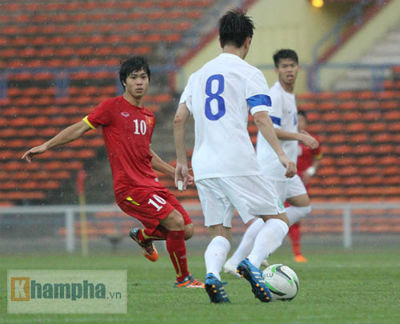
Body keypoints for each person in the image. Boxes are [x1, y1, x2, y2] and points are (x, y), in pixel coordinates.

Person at [22, 56, 204, 288]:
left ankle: (144, 236)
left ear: (149, 81)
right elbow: (79, 128)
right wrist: (47, 145)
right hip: (130, 188)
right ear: (124, 82)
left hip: (152, 185)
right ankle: (184, 279)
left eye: (143, 77)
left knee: (187, 230)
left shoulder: (149, 117)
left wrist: (173, 172)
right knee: (176, 222)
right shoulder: (111, 108)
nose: (139, 82)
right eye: (133, 77)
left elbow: (145, 152)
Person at [173, 10, 297, 303]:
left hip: (203, 165)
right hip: (236, 159)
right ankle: (251, 263)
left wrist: (181, 162)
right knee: (278, 219)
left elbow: (179, 119)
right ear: (248, 41)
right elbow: (262, 118)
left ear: (220, 40)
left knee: (220, 232)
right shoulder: (249, 73)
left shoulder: (197, 74)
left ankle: (213, 277)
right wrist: (281, 155)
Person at [223, 49, 319, 273]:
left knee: (303, 205)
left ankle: (257, 249)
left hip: (286, 166)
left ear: (298, 68)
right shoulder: (275, 95)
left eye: (292, 65)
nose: (289, 70)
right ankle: (236, 261)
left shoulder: (289, 95)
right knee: (271, 217)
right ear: (276, 70)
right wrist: (299, 136)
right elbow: (271, 129)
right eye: (284, 66)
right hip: (273, 165)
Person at [288, 110, 322, 262]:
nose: (299, 123)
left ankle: (297, 252)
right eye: (297, 120)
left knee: (295, 219)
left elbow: (318, 156)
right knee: (272, 216)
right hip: (283, 181)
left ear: (306, 123)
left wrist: (312, 170)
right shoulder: (285, 139)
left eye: (301, 120)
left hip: (300, 184)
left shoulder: (310, 141)